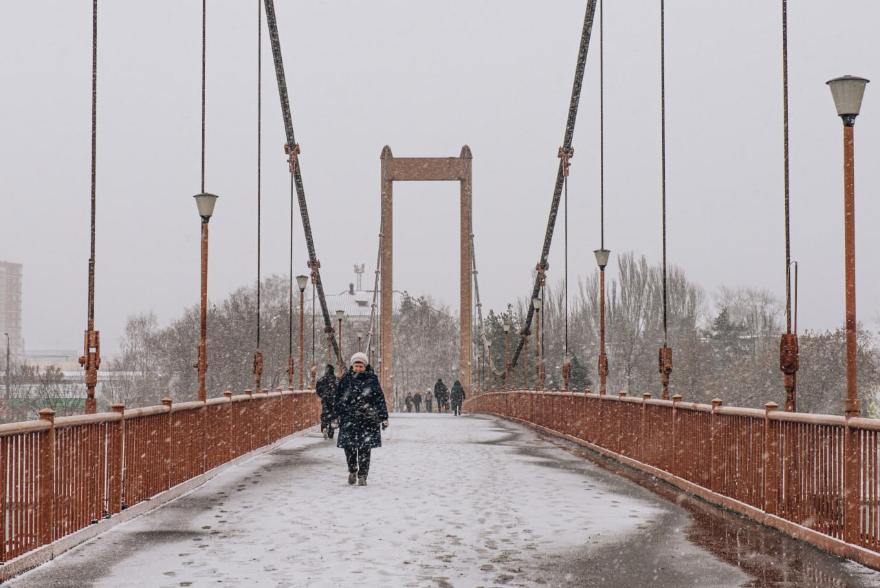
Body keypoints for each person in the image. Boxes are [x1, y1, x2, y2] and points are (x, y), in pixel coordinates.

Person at [333, 352, 389, 486]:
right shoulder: (346, 379)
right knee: (349, 448)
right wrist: (336, 415)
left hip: (367, 419)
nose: (358, 368)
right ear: (352, 366)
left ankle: (363, 475)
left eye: (361, 366)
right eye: (356, 366)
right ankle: (352, 470)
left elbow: (379, 398)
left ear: (365, 366)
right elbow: (338, 398)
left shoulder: (372, 379)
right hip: (349, 419)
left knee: (365, 449)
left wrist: (384, 417)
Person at [315, 364, 336, 439]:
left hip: (325, 400)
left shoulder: (321, 380)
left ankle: (324, 427)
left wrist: (323, 395)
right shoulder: (335, 379)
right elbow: (339, 390)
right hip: (333, 400)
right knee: (333, 415)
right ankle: (331, 431)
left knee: (325, 414)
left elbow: (318, 390)